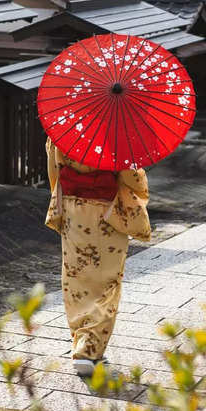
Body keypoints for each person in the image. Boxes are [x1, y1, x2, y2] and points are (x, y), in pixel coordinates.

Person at [45, 137, 151, 376]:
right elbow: (133, 177)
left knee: (76, 278)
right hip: (107, 212)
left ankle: (81, 341)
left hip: (74, 211)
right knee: (106, 282)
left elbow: (54, 169)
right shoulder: (117, 132)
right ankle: (90, 350)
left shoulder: (63, 130)